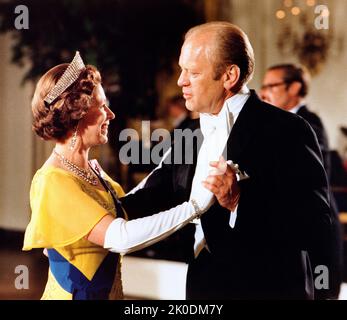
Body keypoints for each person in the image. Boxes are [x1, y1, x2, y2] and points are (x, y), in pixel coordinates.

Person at [121, 22, 332, 299]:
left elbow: (314, 225)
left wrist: (238, 202)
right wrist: (93, 204)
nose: (180, 81)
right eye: (182, 69)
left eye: (193, 73)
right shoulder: (189, 131)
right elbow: (156, 193)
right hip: (202, 284)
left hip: (268, 288)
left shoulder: (288, 129)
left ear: (229, 76)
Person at [22, 52, 220, 300]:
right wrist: (195, 207)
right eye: (102, 106)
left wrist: (172, 161)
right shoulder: (53, 180)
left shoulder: (91, 170)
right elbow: (121, 237)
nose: (111, 114)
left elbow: (128, 205)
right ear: (77, 114)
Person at [261, 63, 343, 299]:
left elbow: (301, 181)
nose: (265, 93)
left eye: (272, 86)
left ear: (294, 87)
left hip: (314, 228)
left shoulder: (309, 123)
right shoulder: (278, 122)